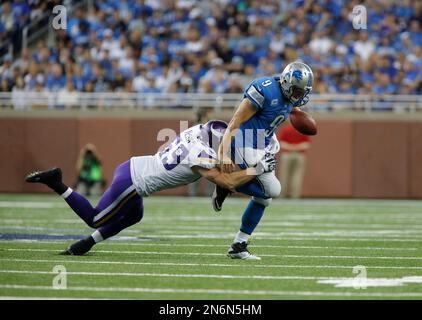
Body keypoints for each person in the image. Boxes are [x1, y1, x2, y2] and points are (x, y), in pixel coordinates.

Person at [25, 120, 275, 256]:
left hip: (135, 165)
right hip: (134, 181)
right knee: (95, 217)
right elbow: (227, 181)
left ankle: (85, 245)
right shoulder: (201, 155)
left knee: (135, 215)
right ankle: (56, 182)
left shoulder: (196, 131)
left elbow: (221, 156)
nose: (226, 152)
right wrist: (258, 168)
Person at [212, 61, 314, 260]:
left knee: (263, 198)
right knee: (272, 190)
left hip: (264, 141)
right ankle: (223, 182)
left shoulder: (293, 96)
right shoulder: (264, 90)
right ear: (285, 82)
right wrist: (223, 153)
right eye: (296, 91)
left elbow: (286, 109)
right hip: (246, 140)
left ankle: (239, 244)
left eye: (301, 92)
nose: (298, 96)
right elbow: (235, 121)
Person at [277, 123, 311, 198]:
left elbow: (281, 143)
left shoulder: (285, 128)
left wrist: (291, 147)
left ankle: (282, 195)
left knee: (284, 175)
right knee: (297, 176)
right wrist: (296, 147)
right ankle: (295, 195)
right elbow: (306, 144)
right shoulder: (303, 128)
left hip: (287, 154)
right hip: (299, 155)